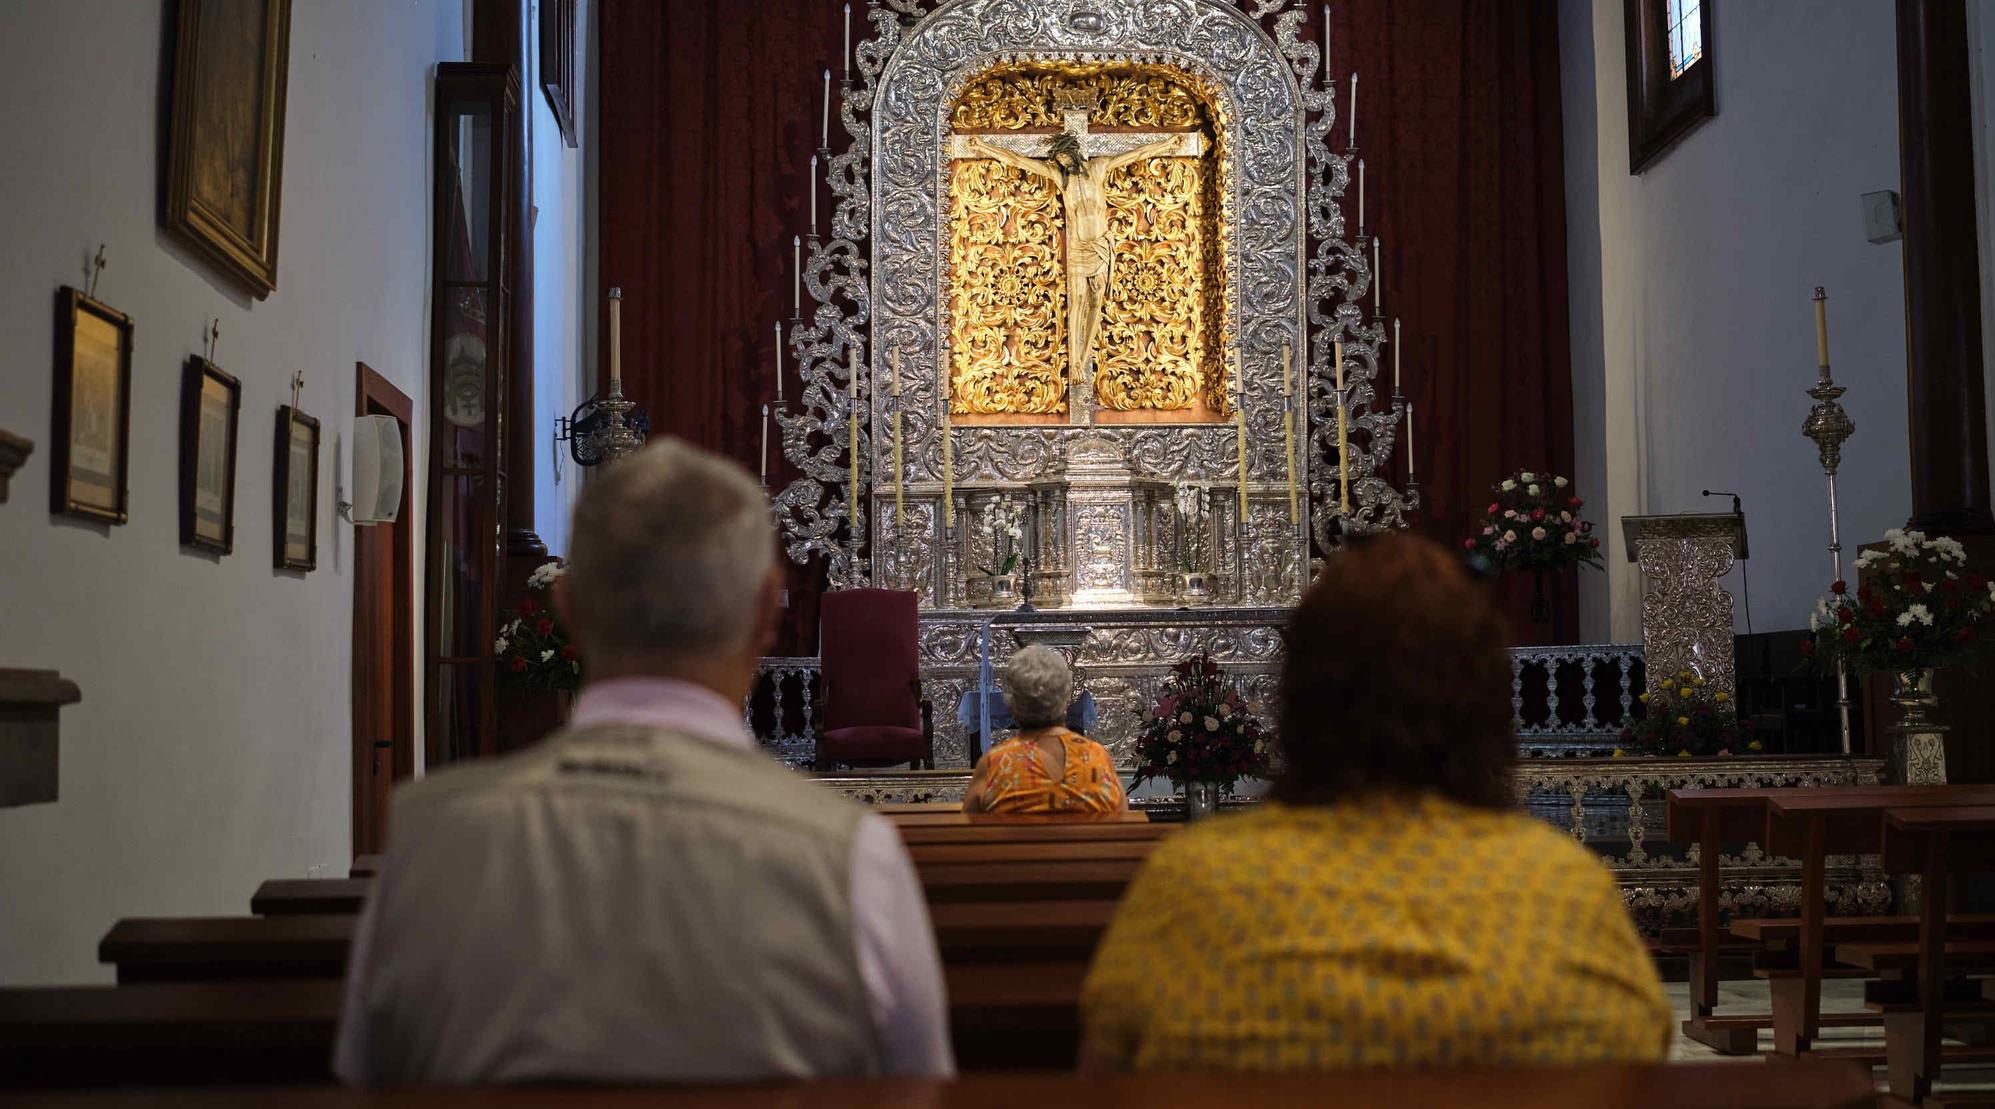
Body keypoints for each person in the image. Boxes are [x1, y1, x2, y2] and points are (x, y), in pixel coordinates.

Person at [335, 439, 953, 1084]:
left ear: (566, 606)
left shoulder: (429, 841)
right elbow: (917, 1087)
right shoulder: (852, 859)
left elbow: (371, 1079)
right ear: (766, 611)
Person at [1080, 532, 1671, 1071]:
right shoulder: (1566, 890)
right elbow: (1642, 1048)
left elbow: (1106, 1061)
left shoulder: (1194, 883)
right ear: (1485, 703)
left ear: (1299, 699)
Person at [961, 646, 1126, 816]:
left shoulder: (994, 763)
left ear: (1012, 704)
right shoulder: (1096, 757)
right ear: (1066, 698)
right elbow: (1121, 816)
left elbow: (968, 826)